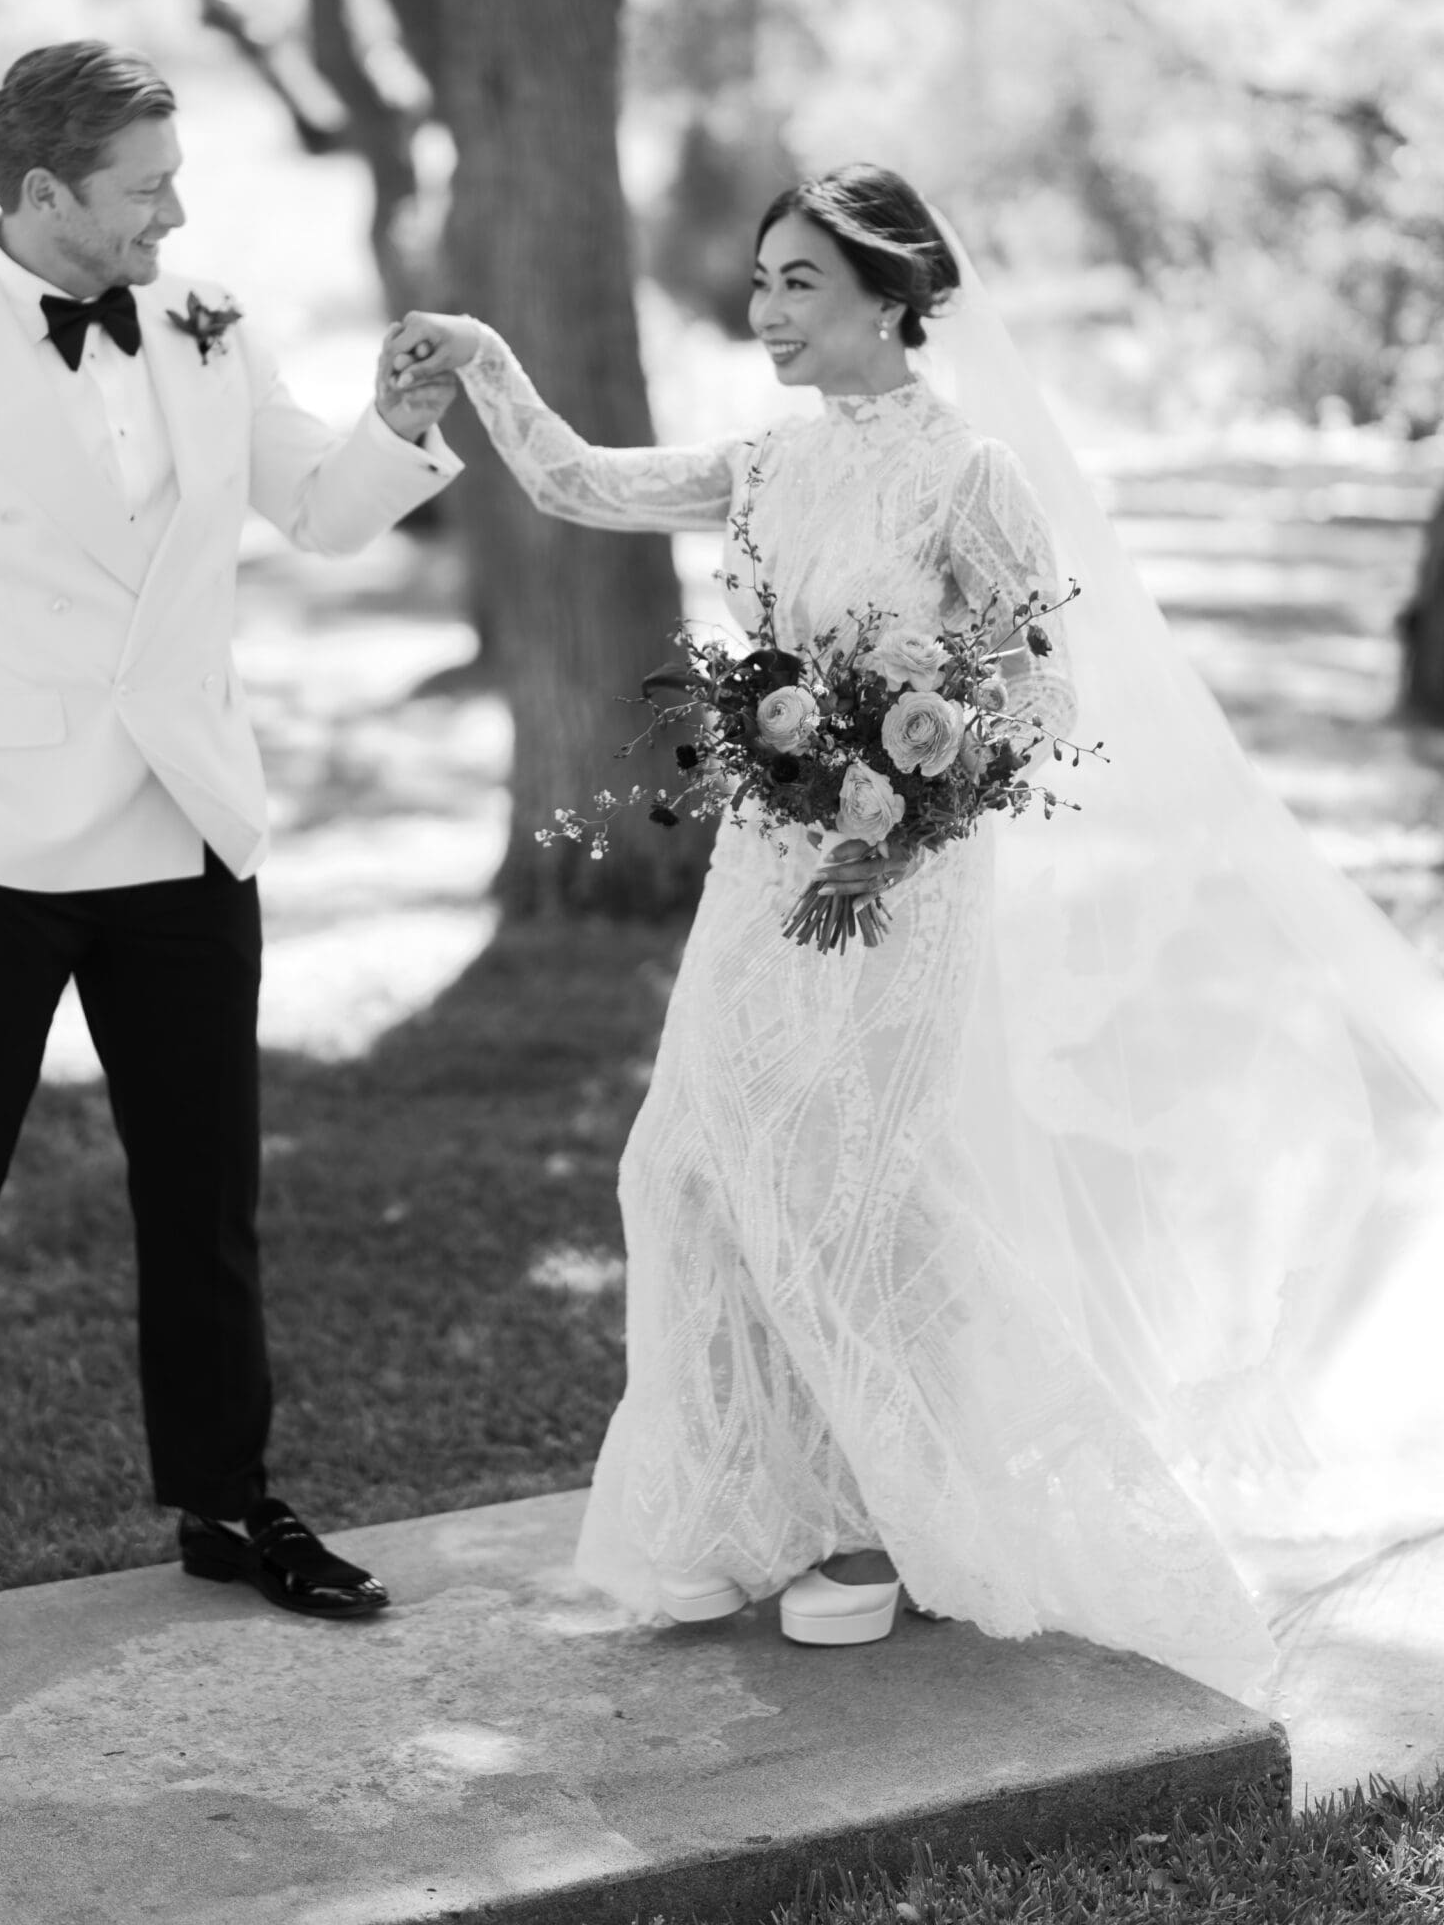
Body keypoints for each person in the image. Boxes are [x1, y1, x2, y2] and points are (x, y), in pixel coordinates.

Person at [387, 164, 1444, 1703]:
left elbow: (1038, 697)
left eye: (799, 285)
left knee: (858, 1188)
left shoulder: (972, 479)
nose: (767, 315)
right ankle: (759, 1499)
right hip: (763, 870)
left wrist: (897, 810)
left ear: (893, 296)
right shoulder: (764, 466)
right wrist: (484, 357)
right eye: (758, 287)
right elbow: (578, 487)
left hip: (906, 886)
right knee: (689, 1160)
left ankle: (888, 1521)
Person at [0, 39, 460, 1701]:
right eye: (146, 187)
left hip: (185, 837)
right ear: (45, 194)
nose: (180, 209)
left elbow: (318, 508)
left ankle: (226, 1507)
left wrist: (391, 427)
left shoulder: (210, 318)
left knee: (205, 1204)